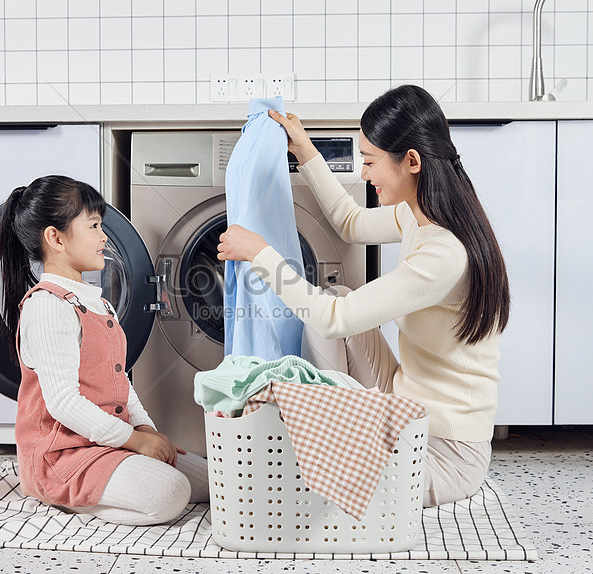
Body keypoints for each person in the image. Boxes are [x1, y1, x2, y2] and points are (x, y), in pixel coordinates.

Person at [216, 85, 510, 508]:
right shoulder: (419, 211)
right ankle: (337, 435)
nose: (364, 174)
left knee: (311, 489)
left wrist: (260, 252)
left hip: (445, 449)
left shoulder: (445, 252)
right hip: (405, 401)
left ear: (412, 161)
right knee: (333, 294)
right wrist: (306, 153)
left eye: (370, 162)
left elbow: (337, 319)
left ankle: (330, 440)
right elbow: (351, 223)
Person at [0, 175, 209, 525]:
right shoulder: (48, 306)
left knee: (211, 483)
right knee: (171, 494)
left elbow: (120, 382)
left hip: (107, 442)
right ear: (55, 238)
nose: (104, 237)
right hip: (63, 455)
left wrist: (145, 430)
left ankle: (114, 481)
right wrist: (133, 442)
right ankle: (62, 498)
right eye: (94, 225)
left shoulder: (98, 304)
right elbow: (64, 403)